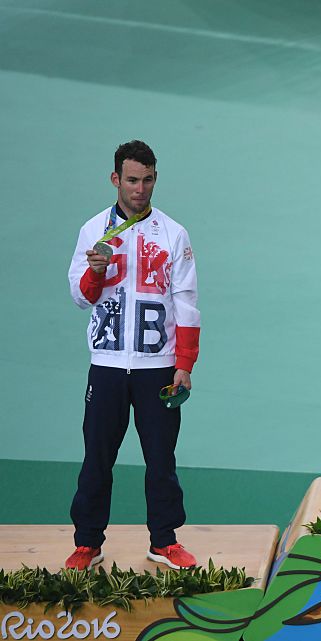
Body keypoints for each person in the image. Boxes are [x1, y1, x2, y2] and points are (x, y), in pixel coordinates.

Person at [65, 140, 200, 570]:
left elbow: (187, 302)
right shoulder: (92, 231)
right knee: (97, 457)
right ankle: (87, 543)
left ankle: (164, 541)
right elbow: (80, 297)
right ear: (115, 180)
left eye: (146, 180)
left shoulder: (173, 233)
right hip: (106, 365)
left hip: (157, 366)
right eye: (131, 180)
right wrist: (96, 271)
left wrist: (184, 364)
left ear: (155, 178)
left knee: (161, 458)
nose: (139, 189)